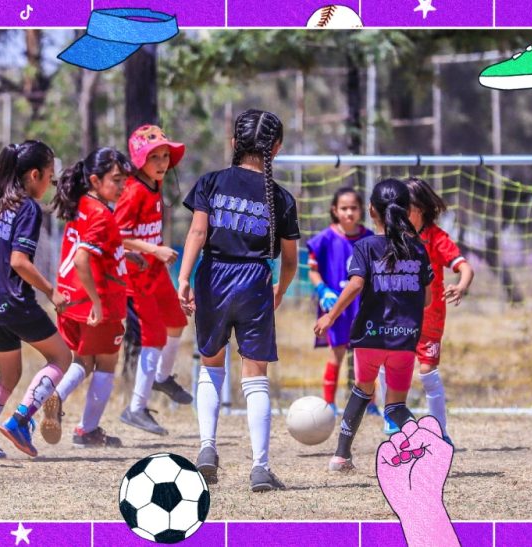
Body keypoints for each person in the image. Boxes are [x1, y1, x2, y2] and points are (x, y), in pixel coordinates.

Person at [179, 109, 300, 492]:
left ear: (234, 143)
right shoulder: (281, 198)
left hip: (212, 277)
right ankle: (260, 468)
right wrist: (279, 288)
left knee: (211, 364)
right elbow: (291, 259)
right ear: (276, 149)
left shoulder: (211, 182)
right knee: (256, 376)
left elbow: (198, 233)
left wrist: (184, 277)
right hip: (255, 282)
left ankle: (207, 448)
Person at [0, 140, 72, 459]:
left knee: (8, 376)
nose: (50, 183)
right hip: (14, 303)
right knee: (62, 358)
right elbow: (20, 261)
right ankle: (20, 421)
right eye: (49, 175)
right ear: (34, 175)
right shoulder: (28, 208)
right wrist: (51, 291)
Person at [315, 178, 433, 473]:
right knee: (395, 406)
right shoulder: (418, 248)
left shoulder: (365, 246)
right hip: (404, 339)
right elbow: (428, 298)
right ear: (407, 210)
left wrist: (330, 316)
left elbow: (356, 284)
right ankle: (425, 445)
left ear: (371, 210)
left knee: (361, 390)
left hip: (370, 335)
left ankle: (341, 456)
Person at [40, 148, 133, 448]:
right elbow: (83, 259)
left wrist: (126, 254)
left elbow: (93, 251)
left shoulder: (80, 204)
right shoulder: (102, 214)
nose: (122, 186)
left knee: (83, 360)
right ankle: (86, 429)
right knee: (106, 364)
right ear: (95, 179)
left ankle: (58, 398)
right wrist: (97, 302)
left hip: (68, 298)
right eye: (116, 180)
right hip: (97, 302)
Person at [114, 125, 193, 436]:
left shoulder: (154, 185)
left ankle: (161, 377)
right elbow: (117, 237)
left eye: (165, 156)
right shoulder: (133, 191)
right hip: (137, 278)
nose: (162, 162)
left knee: (177, 321)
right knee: (155, 337)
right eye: (154, 157)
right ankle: (135, 409)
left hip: (155, 273)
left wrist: (156, 254)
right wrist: (153, 249)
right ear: (139, 160)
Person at [390, 176, 475, 445]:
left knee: (428, 374)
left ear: (422, 209)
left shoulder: (437, 238)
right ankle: (393, 423)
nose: (402, 212)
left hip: (430, 320)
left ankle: (440, 433)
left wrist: (461, 286)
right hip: (398, 318)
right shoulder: (394, 236)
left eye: (408, 207)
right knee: (389, 368)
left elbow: (465, 267)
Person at [307, 187, 380, 417]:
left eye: (353, 208)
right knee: (336, 353)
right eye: (344, 208)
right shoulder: (325, 238)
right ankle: (328, 404)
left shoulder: (370, 238)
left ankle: (371, 403)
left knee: (367, 356)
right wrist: (322, 289)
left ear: (361, 210)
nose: (349, 212)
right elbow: (312, 270)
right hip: (336, 307)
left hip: (364, 307)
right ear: (335, 210)